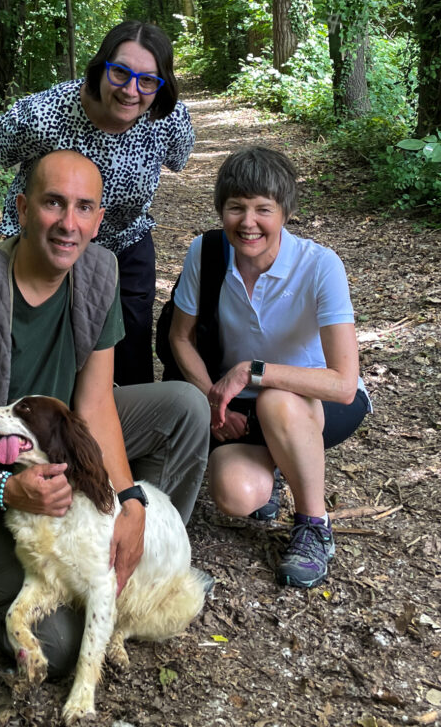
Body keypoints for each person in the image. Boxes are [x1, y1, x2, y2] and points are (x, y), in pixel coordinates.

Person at [0, 149, 209, 675]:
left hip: (56, 436)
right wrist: (3, 488)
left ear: (99, 219)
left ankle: (130, 565)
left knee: (185, 407)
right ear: (21, 208)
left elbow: (95, 403)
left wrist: (130, 503)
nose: (69, 224)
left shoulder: (99, 272)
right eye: (53, 204)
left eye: (84, 207)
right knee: (60, 647)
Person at [167, 147, 371, 589]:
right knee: (236, 495)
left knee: (278, 401)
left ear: (285, 212)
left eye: (264, 209)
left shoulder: (320, 266)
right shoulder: (206, 254)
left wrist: (251, 371)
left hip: (313, 398)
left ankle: (314, 525)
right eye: (236, 207)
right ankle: (280, 463)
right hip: (239, 406)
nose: (248, 222)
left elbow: (344, 385)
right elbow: (179, 338)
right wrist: (210, 399)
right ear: (221, 209)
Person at [0, 20, 195, 387]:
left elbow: (179, 158)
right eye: (120, 73)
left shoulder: (168, 119)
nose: (131, 90)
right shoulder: (49, 115)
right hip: (47, 240)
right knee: (46, 345)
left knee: (129, 343)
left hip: (124, 239)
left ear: (161, 85)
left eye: (147, 81)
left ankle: (127, 430)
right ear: (101, 68)